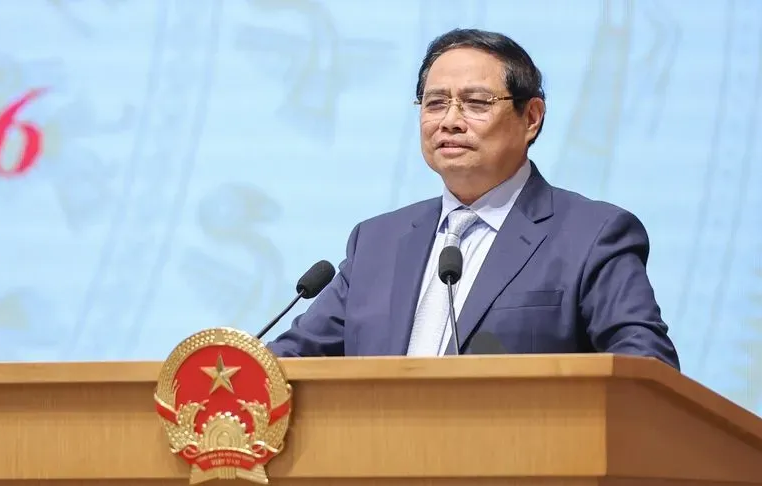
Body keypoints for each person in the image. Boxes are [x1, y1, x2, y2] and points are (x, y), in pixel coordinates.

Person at [265, 28, 680, 370]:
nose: (450, 121)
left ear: (531, 117)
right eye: (435, 103)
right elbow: (288, 363)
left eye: (476, 103)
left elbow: (646, 372)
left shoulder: (592, 236)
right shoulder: (377, 242)